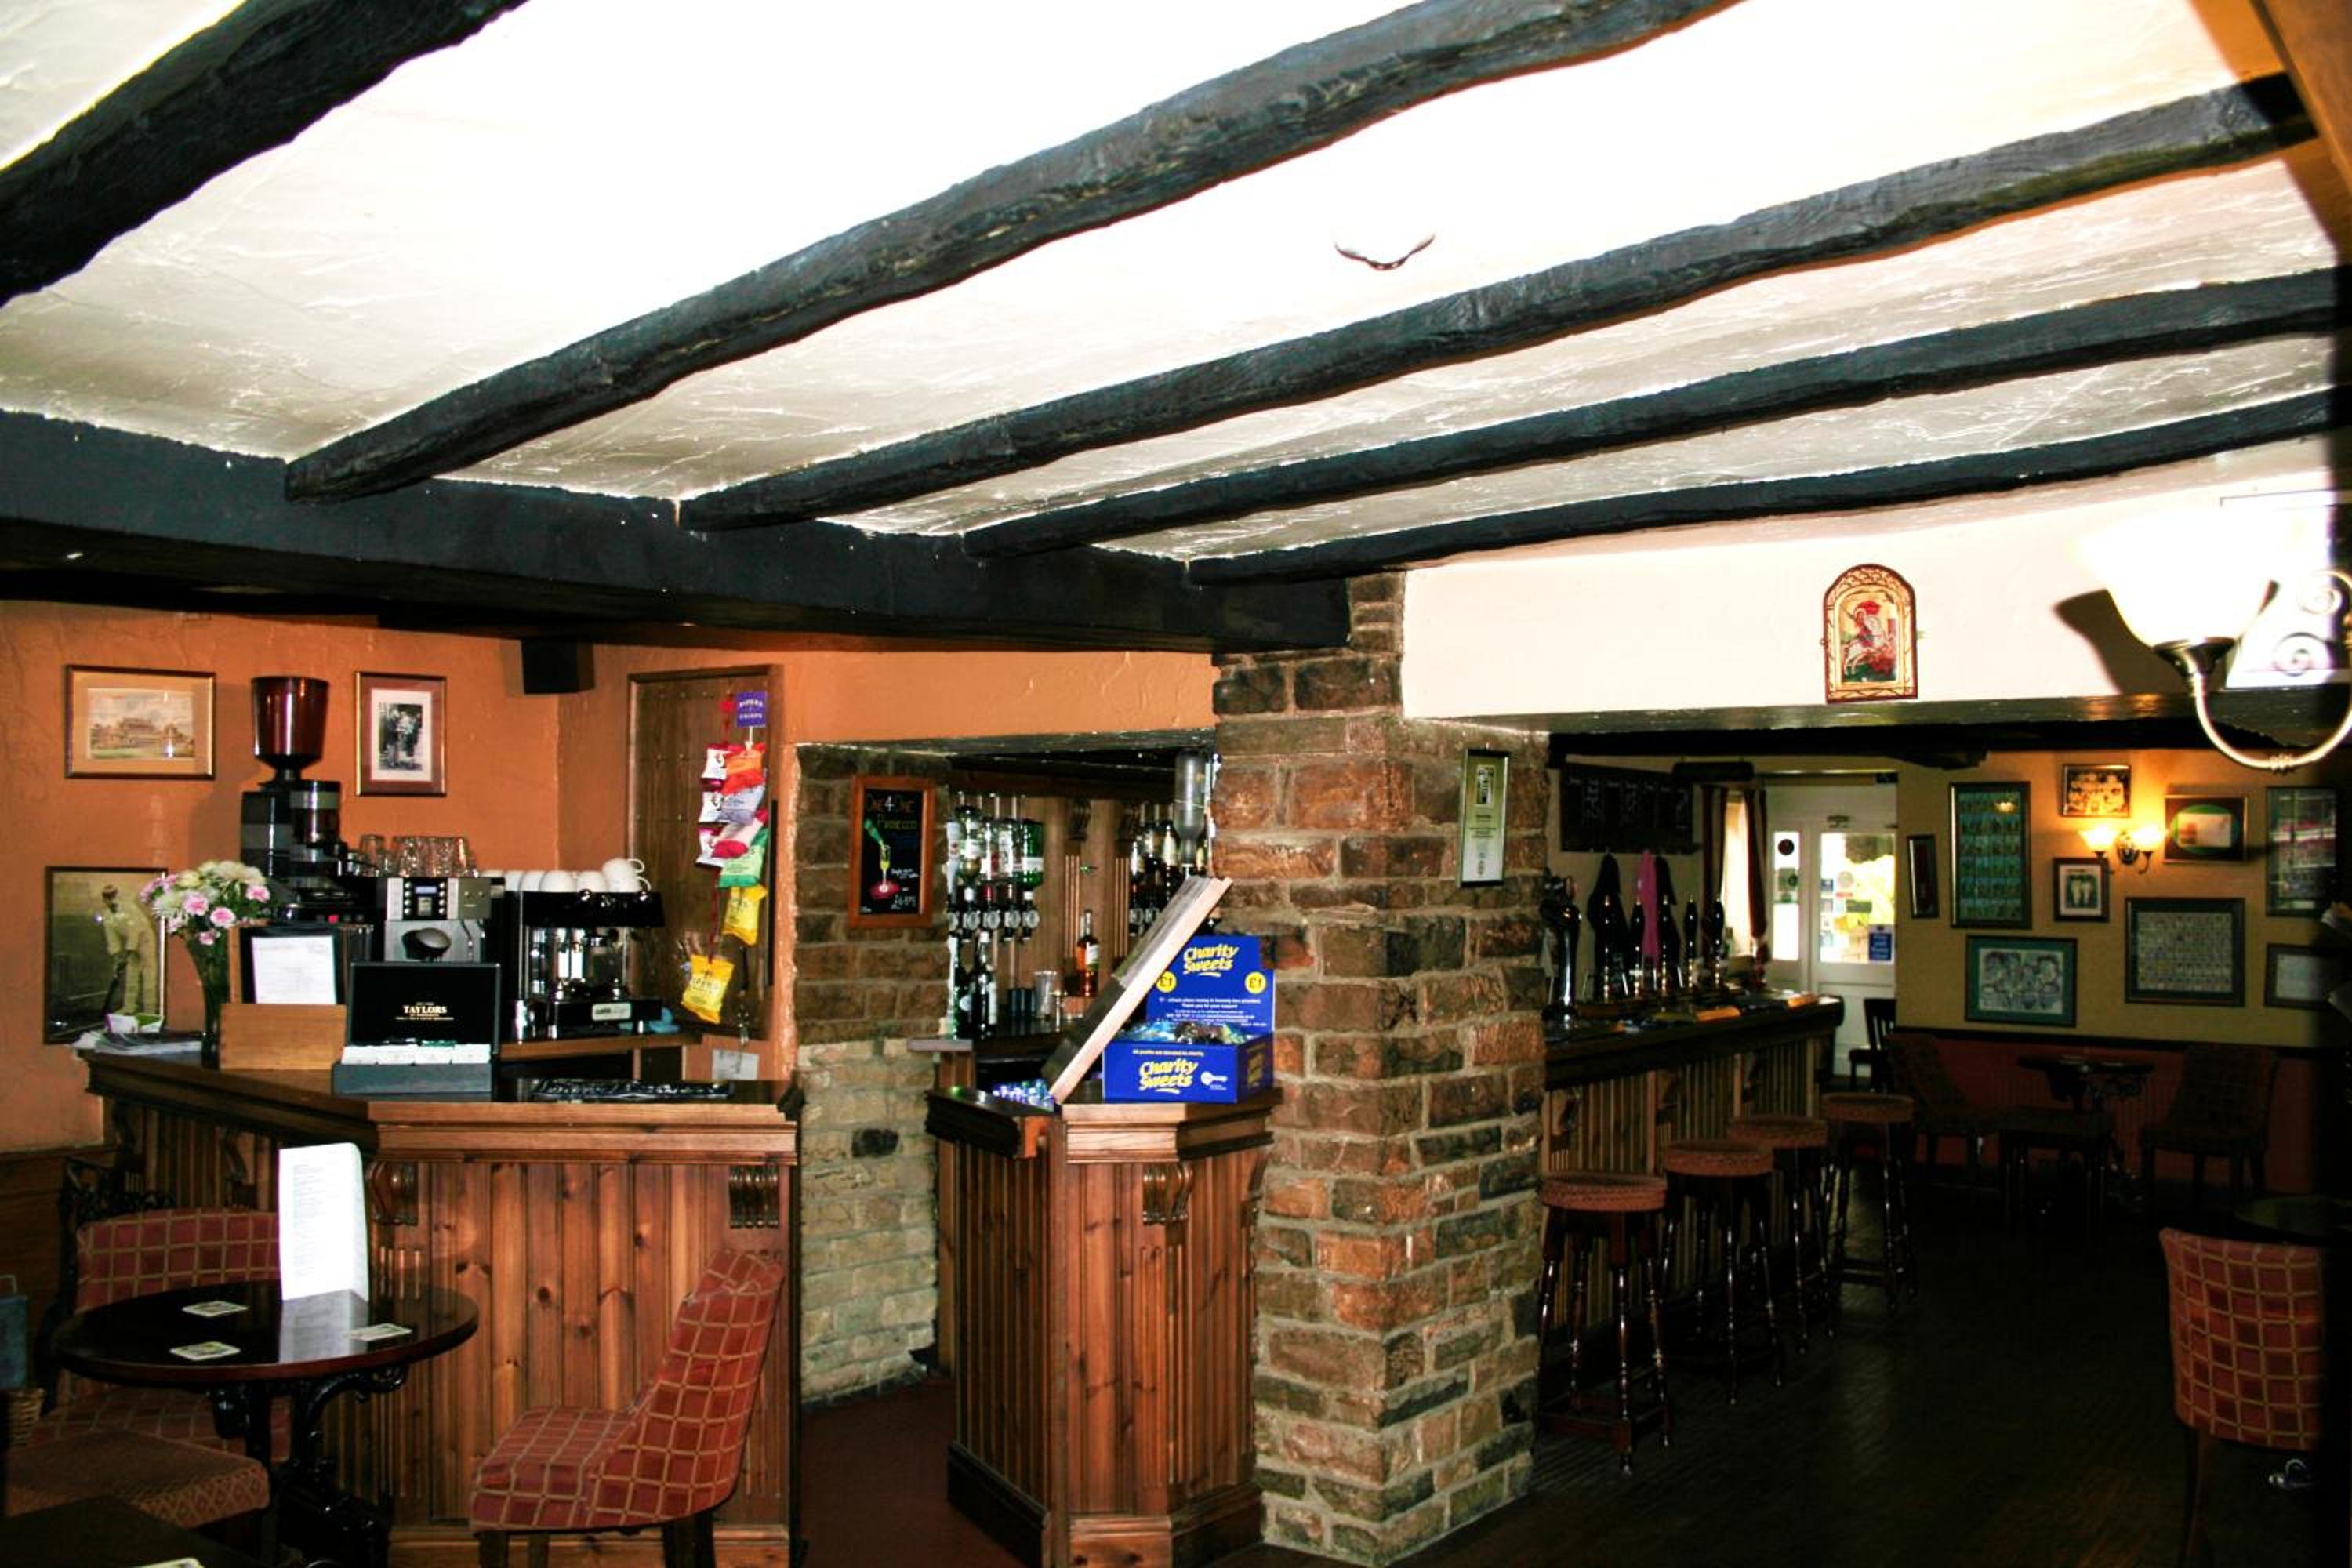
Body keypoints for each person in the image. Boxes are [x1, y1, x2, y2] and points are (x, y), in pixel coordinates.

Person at [96, 884, 147, 1014]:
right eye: (107, 898)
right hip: (130, 944)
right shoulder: (107, 915)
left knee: (148, 974)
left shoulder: (129, 908)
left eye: (112, 897)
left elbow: (134, 931)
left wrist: (128, 953)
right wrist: (117, 956)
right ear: (104, 899)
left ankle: (150, 1009)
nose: (110, 900)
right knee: (131, 975)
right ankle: (129, 1007)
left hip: (145, 939)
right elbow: (112, 938)